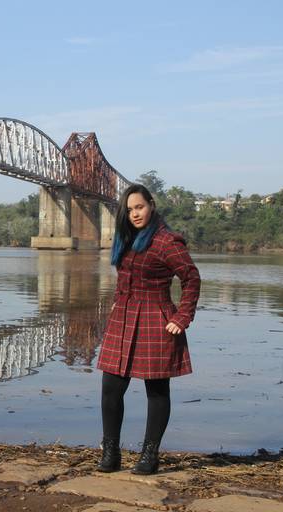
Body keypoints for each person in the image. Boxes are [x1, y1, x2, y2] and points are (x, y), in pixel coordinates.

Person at [96, 184, 200, 474]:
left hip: (156, 318)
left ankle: (149, 455)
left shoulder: (167, 241)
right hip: (123, 317)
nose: (135, 214)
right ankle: (111, 453)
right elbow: (124, 278)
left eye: (139, 207)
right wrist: (117, 301)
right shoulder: (127, 237)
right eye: (130, 210)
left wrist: (182, 316)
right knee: (110, 389)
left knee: (156, 390)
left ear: (151, 205)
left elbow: (191, 278)